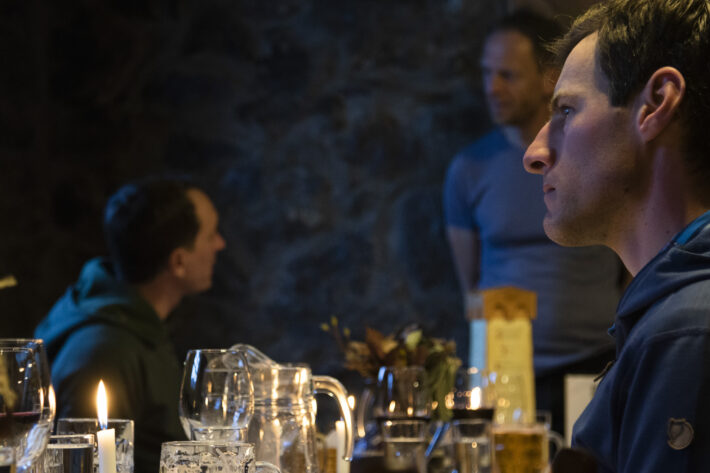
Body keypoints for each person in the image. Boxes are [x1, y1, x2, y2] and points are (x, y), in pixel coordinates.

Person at [523, 0, 710, 470]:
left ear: (656, 104)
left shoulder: (686, 331)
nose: (535, 152)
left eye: (567, 110)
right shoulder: (671, 313)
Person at [443, 10, 623, 435]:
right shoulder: (469, 168)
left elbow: (630, 259)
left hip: (596, 365)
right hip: (503, 377)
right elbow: (471, 284)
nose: (493, 88)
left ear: (549, 77)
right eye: (487, 73)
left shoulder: (591, 160)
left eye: (508, 75)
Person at [35, 176, 226, 473]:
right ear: (178, 262)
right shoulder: (105, 353)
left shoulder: (138, 326)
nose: (220, 244)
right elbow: (81, 466)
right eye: (211, 234)